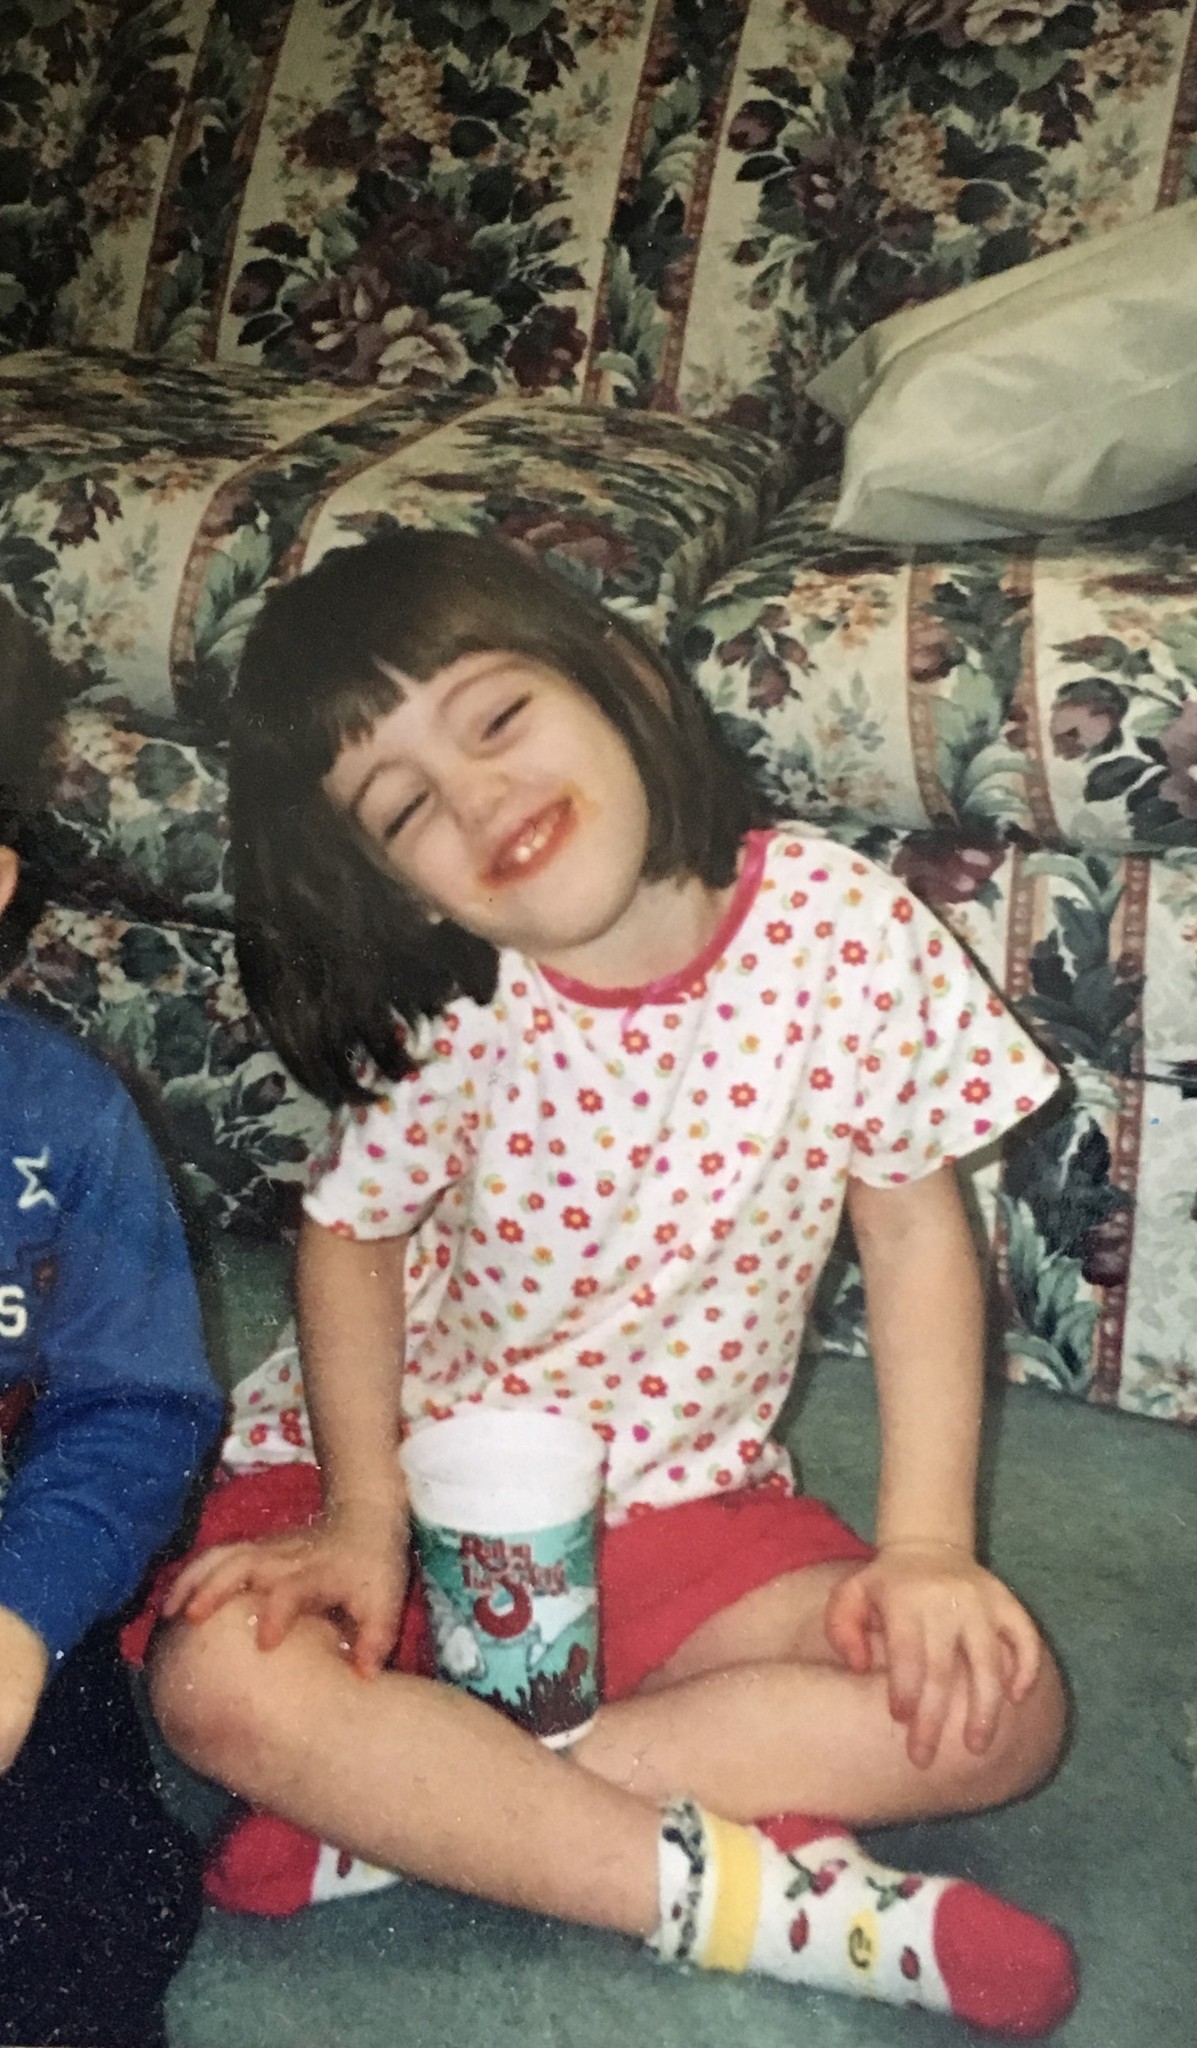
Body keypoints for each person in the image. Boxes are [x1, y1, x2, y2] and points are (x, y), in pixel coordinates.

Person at [144, 528, 1076, 2035]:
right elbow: (349, 1235)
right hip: (428, 1505)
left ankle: (430, 1800)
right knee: (219, 1690)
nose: (479, 797)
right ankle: (764, 1905)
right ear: (405, 891)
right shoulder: (461, 1006)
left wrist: (924, 1547)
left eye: (498, 718)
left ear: (626, 681)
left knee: (1000, 1708)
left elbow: (914, 1236)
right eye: (406, 809)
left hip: (687, 1507)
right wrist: (363, 1519)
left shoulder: (845, 934)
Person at [0, 598, 225, 2048]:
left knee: (86, 1917)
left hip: (12, 1580)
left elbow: (136, 1405)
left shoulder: (64, 1119)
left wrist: (23, 1619)